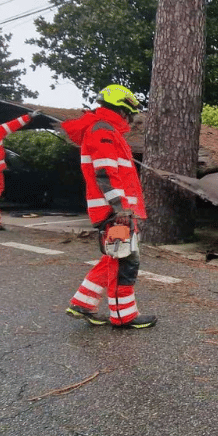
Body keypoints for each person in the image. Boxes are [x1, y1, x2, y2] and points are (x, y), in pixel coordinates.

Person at [62, 84, 156, 329]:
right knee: (126, 261)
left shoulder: (105, 130)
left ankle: (82, 303)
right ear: (121, 108)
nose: (132, 118)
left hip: (115, 212)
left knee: (116, 258)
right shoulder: (103, 130)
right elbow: (105, 173)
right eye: (130, 112)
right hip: (115, 213)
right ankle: (124, 316)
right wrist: (120, 208)